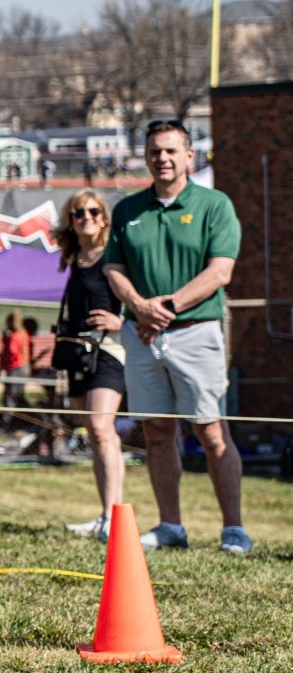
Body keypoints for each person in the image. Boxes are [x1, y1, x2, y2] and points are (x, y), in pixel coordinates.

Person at [103, 118, 250, 554]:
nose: (162, 158)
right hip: (143, 336)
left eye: (171, 151)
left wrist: (164, 309)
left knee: (212, 432)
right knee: (156, 432)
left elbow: (220, 271)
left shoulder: (214, 205)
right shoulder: (128, 210)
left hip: (195, 332)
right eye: (154, 151)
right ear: (145, 157)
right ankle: (171, 526)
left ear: (189, 156)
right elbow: (113, 268)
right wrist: (138, 307)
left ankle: (233, 530)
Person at [51, 190, 126, 540]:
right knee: (93, 435)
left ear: (104, 217)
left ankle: (116, 518)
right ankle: (104, 514)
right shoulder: (73, 258)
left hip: (109, 350)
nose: (86, 217)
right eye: (78, 212)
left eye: (93, 211)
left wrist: (120, 321)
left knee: (100, 428)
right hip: (78, 352)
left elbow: (136, 297)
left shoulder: (114, 256)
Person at [0, 309, 29, 422]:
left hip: (15, 367)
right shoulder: (23, 332)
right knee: (17, 394)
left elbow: (12, 351)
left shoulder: (14, 335)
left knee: (11, 395)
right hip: (21, 366)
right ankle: (19, 418)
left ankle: (9, 420)